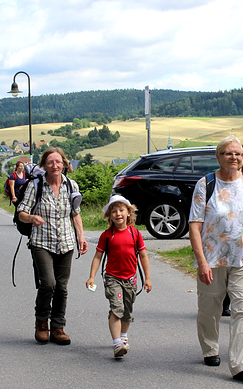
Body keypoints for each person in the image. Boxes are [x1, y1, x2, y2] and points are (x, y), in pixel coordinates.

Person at [189, 136, 243, 384]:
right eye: (228, 153)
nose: (233, 157)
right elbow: (195, 227)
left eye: (238, 153)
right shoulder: (206, 184)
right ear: (218, 157)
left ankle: (241, 365)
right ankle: (210, 348)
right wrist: (202, 261)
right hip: (213, 259)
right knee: (209, 308)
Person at [17, 147, 88, 345]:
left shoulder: (70, 185)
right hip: (41, 241)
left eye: (58, 162)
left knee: (62, 287)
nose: (54, 165)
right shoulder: (36, 186)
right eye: (50, 162)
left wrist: (81, 237)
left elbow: (75, 213)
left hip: (66, 242)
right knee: (48, 283)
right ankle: (41, 323)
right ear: (44, 165)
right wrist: (31, 217)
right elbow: (21, 212)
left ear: (64, 163)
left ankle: (58, 327)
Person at [86, 195, 152, 358]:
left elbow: (143, 256)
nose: (118, 214)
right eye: (113, 211)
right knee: (117, 308)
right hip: (112, 278)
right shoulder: (107, 235)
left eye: (121, 210)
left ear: (129, 212)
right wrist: (92, 276)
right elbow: (98, 257)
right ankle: (117, 343)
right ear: (109, 216)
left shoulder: (135, 234)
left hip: (131, 279)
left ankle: (123, 336)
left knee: (127, 312)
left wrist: (148, 278)